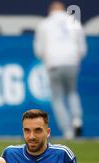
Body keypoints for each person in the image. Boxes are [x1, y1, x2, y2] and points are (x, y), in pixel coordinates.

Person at [33, 1, 86, 139]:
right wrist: (74, 58)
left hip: (53, 64)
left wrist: (48, 59)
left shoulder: (44, 24)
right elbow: (82, 49)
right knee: (72, 92)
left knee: (57, 98)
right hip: (72, 62)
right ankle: (77, 119)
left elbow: (39, 50)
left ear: (51, 10)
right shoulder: (74, 22)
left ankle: (67, 130)